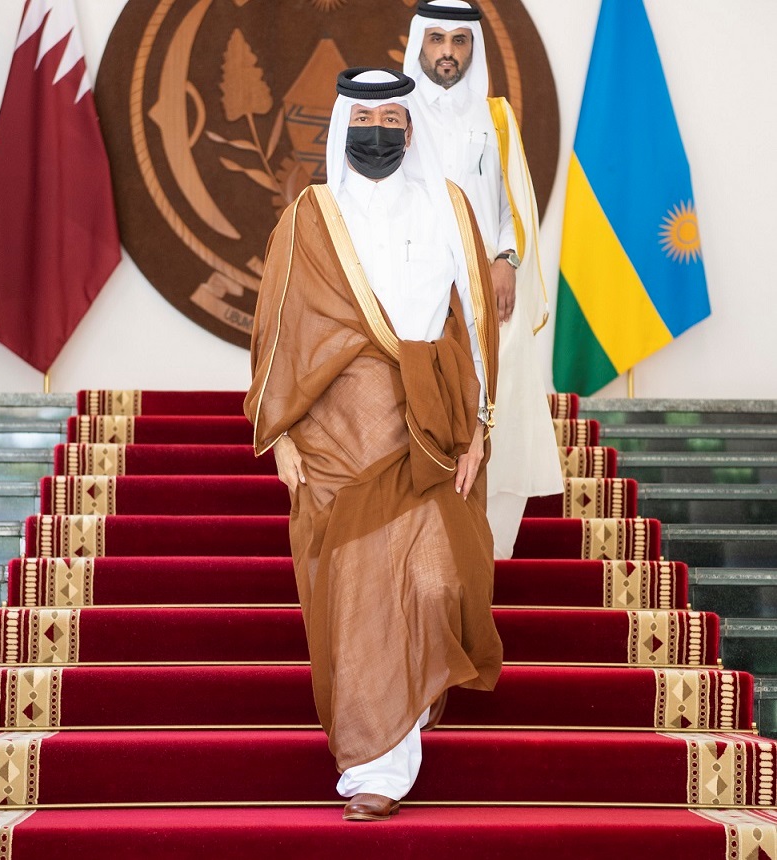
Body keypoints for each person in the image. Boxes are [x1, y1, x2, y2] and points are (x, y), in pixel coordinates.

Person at [244, 68, 503, 822]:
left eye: (393, 119)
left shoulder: (449, 205)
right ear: (342, 127)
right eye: (365, 119)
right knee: (353, 592)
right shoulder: (310, 215)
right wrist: (280, 435)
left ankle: (404, 704)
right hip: (332, 430)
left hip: (428, 419)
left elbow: (475, 326)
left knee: (433, 582)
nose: (379, 133)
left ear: (411, 128)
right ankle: (374, 765)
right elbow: (277, 330)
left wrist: (479, 428)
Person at [403, 0, 564, 558]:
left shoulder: (495, 117)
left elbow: (510, 201)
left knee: (502, 397)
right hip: (422, 293)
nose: (448, 52)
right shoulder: (398, 114)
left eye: (460, 40)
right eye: (437, 39)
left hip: (486, 292)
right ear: (420, 44)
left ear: (473, 46)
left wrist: (507, 259)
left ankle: (489, 551)